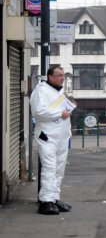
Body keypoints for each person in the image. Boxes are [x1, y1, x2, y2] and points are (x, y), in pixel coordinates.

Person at [30, 65, 75, 215]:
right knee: (49, 167)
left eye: (63, 75)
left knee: (59, 169)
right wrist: (60, 113)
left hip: (61, 136)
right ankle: (46, 201)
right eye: (59, 75)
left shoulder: (60, 91)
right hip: (47, 135)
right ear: (50, 76)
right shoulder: (41, 91)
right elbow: (39, 112)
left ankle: (54, 198)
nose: (63, 78)